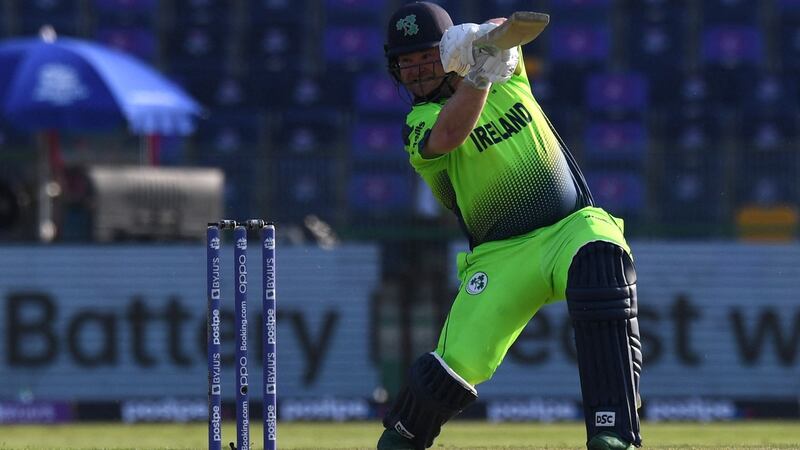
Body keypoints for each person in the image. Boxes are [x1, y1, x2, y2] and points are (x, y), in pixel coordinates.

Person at [378, 2, 643, 450]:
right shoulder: (417, 123)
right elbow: (449, 135)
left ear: (448, 53)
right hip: (500, 255)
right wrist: (480, 73)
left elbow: (510, 32)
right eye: (406, 63)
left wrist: (483, 37)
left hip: (569, 227)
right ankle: (403, 436)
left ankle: (613, 431)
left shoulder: (507, 74)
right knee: (455, 364)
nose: (416, 71)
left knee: (602, 262)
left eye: (425, 56)